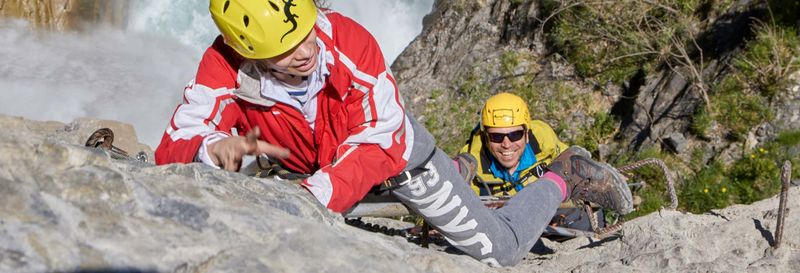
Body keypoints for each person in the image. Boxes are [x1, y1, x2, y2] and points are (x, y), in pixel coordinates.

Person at [154, 0, 634, 267]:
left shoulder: (349, 44)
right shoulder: (222, 67)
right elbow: (173, 144)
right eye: (283, 50)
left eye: (304, 34)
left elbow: (378, 142)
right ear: (245, 50)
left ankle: (563, 175)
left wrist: (308, 198)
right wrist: (209, 151)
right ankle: (461, 166)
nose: (304, 52)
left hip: (398, 163)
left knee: (502, 249)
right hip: (319, 172)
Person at [456, 92, 569, 197]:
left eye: (515, 135)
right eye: (496, 137)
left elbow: (572, 161)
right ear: (486, 138)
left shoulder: (545, 143)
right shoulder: (469, 172)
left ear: (526, 135)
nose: (506, 144)